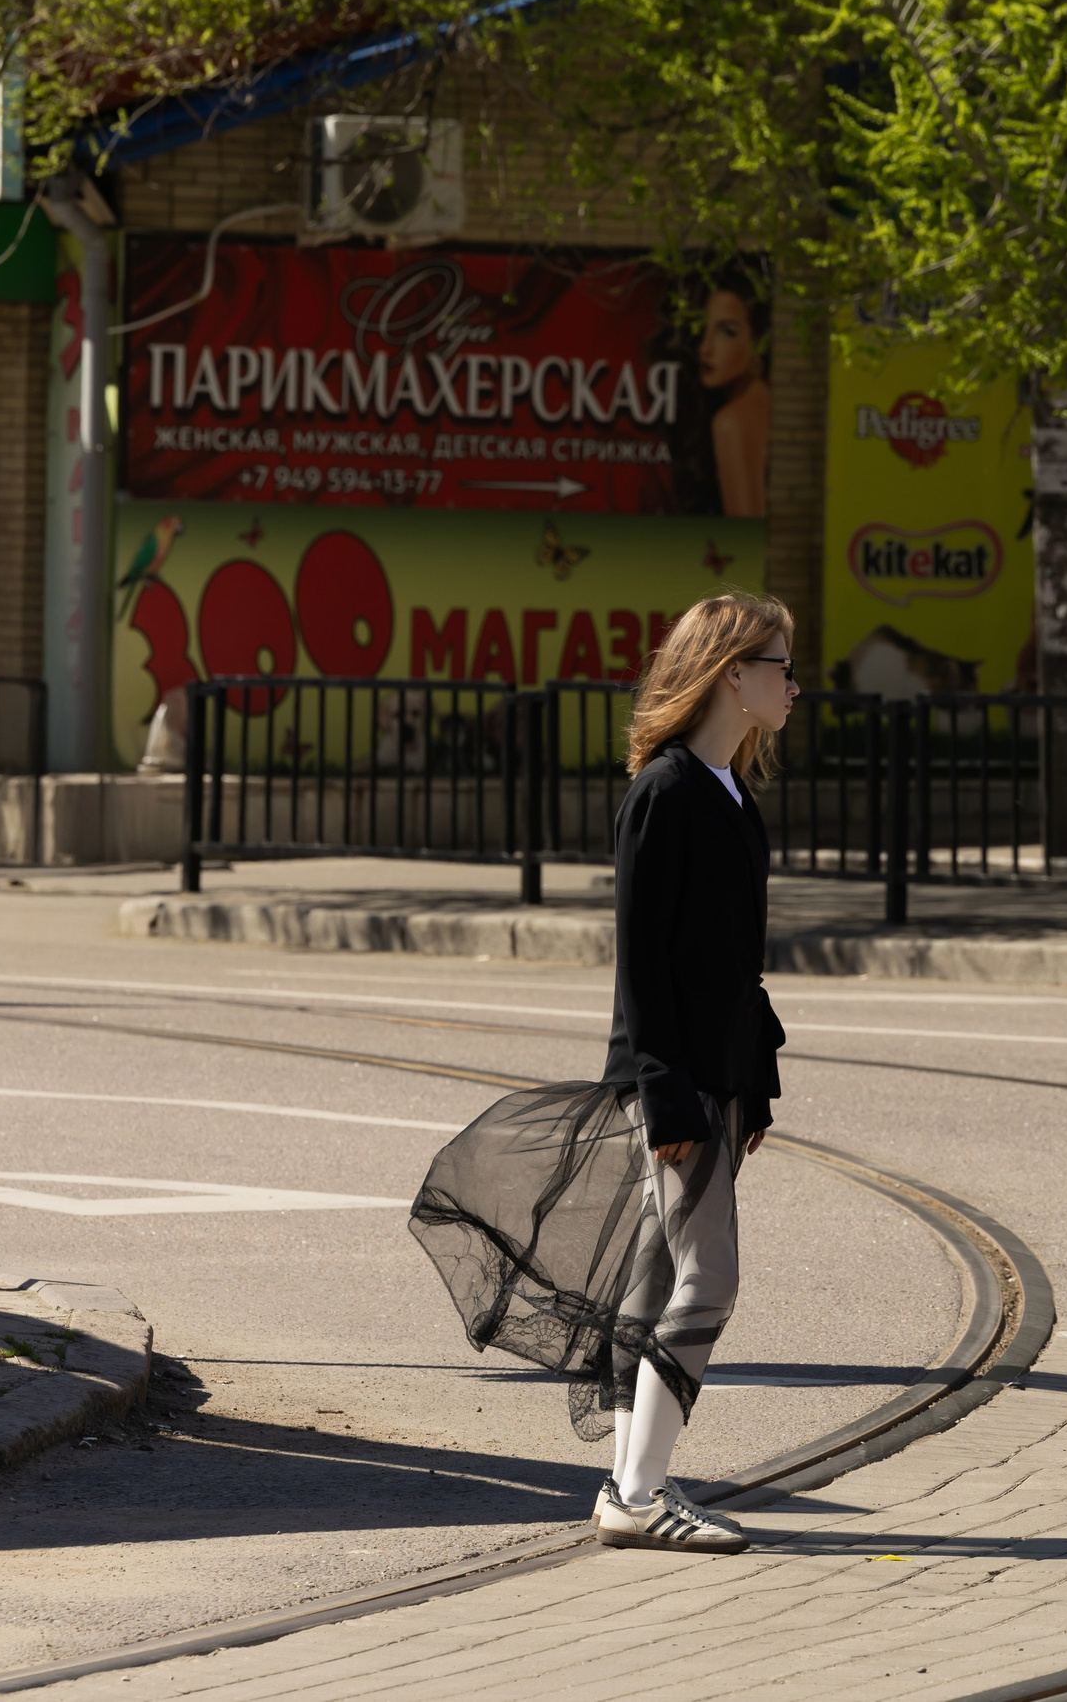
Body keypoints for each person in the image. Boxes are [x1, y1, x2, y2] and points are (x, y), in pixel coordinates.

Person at [408, 590, 799, 1557]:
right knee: (708, 1281)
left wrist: (758, 1082)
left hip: (722, 1076)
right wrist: (666, 1090)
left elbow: (730, 965)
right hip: (673, 1080)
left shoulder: (732, 791)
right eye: (782, 665)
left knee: (655, 1276)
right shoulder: (664, 791)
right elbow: (645, 964)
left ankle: (629, 1484)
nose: (795, 685)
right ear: (732, 673)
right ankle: (641, 1492)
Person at [696, 286, 771, 517]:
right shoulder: (767, 398)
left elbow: (745, 532)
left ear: (757, 340)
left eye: (726, 332)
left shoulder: (732, 421)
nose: (705, 349)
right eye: (702, 330)